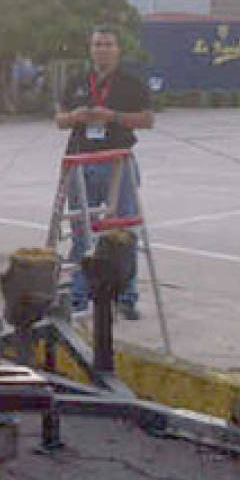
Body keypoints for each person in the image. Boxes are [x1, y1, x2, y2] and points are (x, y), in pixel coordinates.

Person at [55, 26, 154, 319]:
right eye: (97, 44)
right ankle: (80, 293)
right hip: (81, 162)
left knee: (122, 232)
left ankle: (126, 295)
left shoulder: (130, 82)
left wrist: (114, 117)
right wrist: (75, 117)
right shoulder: (76, 82)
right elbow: (59, 119)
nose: (102, 49)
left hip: (117, 163)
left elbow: (148, 119)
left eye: (108, 44)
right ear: (90, 48)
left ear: (118, 49)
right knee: (82, 231)